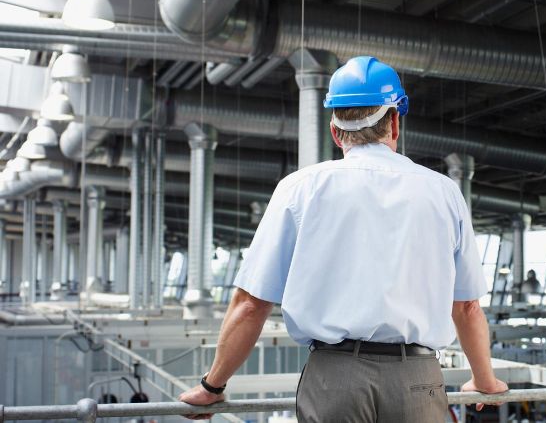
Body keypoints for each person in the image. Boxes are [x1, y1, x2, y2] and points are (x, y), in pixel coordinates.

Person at [178, 56, 508, 422]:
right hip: (418, 380)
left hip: (334, 382)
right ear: (395, 122)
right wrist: (484, 379)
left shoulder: (300, 188)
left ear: (336, 132)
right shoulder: (444, 192)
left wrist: (213, 387)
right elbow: (467, 307)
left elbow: (251, 304)